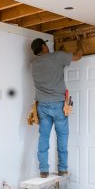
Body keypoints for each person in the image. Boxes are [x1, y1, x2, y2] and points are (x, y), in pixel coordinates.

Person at [29, 37, 82, 178]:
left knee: (43, 138)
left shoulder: (33, 64)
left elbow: (54, 64)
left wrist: (61, 53)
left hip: (42, 106)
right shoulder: (57, 57)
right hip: (58, 105)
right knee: (62, 137)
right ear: (44, 46)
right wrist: (80, 44)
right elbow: (77, 56)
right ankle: (62, 169)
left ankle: (44, 170)